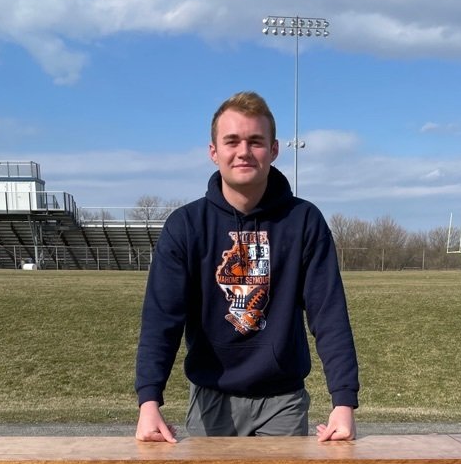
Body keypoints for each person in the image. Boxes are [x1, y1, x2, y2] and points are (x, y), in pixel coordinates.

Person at [134, 90, 359, 443]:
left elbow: (329, 314)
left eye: (255, 141)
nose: (243, 151)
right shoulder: (186, 226)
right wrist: (148, 402)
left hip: (283, 400)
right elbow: (161, 319)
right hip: (211, 398)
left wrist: (343, 402)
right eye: (232, 141)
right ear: (213, 152)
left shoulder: (304, 221)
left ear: (274, 149)